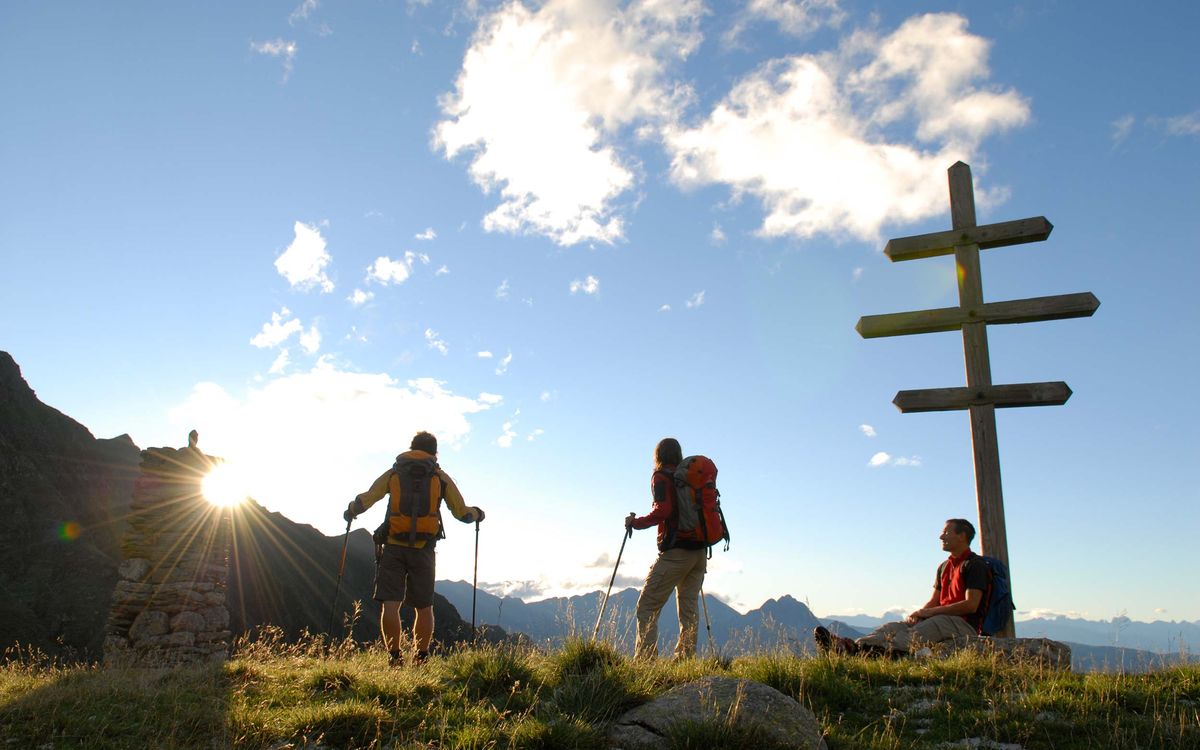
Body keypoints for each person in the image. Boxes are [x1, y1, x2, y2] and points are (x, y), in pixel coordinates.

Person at [345, 431, 484, 665]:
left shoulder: (395, 473)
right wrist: (477, 514)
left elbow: (367, 498)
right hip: (424, 549)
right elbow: (461, 512)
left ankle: (395, 657)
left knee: (391, 605)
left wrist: (351, 511)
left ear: (411, 448)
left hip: (393, 547)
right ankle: (421, 657)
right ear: (434, 452)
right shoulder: (439, 477)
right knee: (424, 606)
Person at [816, 518, 987, 657]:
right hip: (939, 618)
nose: (941, 537)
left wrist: (931, 613)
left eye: (946, 532)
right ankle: (851, 647)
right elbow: (935, 600)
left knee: (915, 633)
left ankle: (869, 653)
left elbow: (971, 604)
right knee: (893, 627)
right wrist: (920, 614)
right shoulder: (944, 567)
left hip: (963, 624)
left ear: (962, 536)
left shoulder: (974, 565)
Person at [625, 437, 708, 660]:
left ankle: (645, 663)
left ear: (658, 455)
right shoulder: (689, 480)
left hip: (676, 552)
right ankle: (685, 660)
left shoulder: (661, 477)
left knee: (647, 607)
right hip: (699, 552)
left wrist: (636, 523)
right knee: (689, 609)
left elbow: (663, 510)